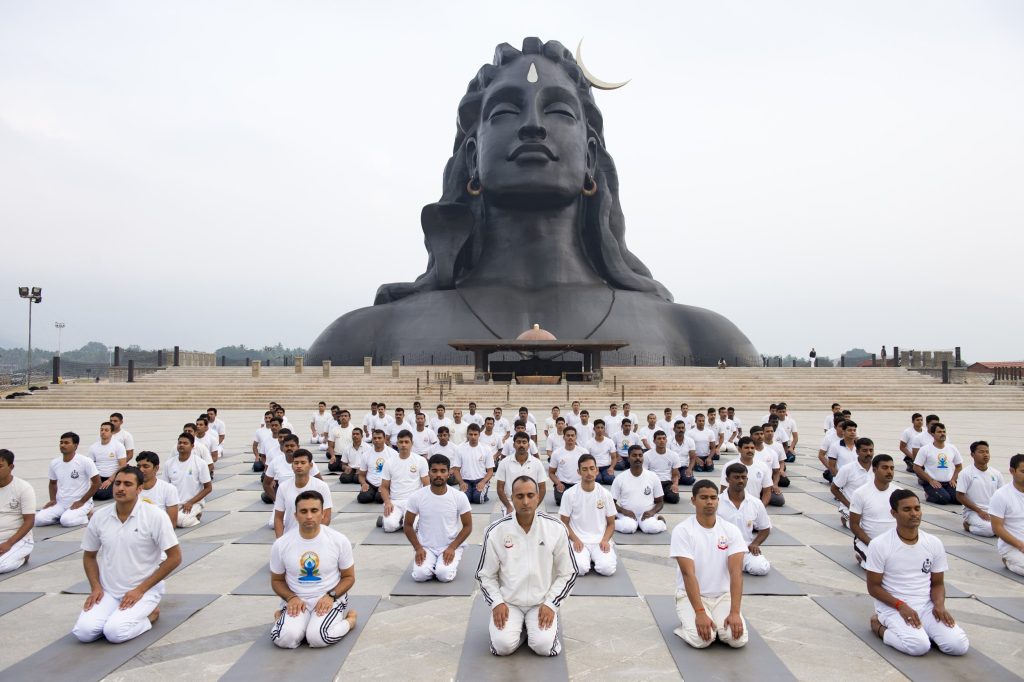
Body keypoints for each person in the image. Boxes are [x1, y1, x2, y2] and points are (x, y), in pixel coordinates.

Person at [72, 466, 182, 644]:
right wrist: (96, 587)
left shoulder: (155, 516)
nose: (120, 488)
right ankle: (117, 613)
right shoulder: (100, 516)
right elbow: (89, 556)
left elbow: (175, 557)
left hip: (143, 590)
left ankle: (150, 615)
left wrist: (140, 590)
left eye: (127, 484)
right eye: (117, 483)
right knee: (83, 633)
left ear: (139, 489)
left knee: (115, 633)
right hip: (109, 590)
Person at [477, 476, 577, 657]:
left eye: (530, 495)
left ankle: (532, 628)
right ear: (511, 498)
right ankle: (519, 628)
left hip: (541, 602)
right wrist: (497, 602)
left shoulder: (555, 528)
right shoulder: (496, 531)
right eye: (519, 496)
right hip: (510, 602)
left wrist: (552, 603)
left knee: (544, 647)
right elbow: (485, 575)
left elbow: (569, 573)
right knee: (502, 647)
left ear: (538, 497)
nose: (525, 501)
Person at [865, 489, 969, 656]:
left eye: (917, 508)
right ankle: (879, 627)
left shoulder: (933, 543)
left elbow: (937, 583)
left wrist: (939, 606)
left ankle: (926, 631)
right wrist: (901, 606)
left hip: (926, 606)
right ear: (894, 513)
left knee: (958, 646)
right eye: (907, 510)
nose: (914, 514)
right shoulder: (880, 544)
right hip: (894, 607)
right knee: (918, 647)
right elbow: (873, 587)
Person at [269, 490, 358, 648]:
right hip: (297, 599)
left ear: (322, 514)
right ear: (296, 516)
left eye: (314, 510)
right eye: (303, 511)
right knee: (284, 639)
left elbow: (349, 577)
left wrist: (331, 596)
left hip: (329, 598)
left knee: (318, 637)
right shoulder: (281, 544)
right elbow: (276, 580)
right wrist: (290, 598)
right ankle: (284, 618)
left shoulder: (338, 540)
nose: (309, 516)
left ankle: (349, 622)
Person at [670, 479, 748, 649]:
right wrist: (700, 613)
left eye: (713, 497)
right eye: (703, 497)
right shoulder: (683, 530)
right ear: (693, 501)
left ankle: (718, 627)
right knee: (702, 641)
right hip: (691, 597)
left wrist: (734, 612)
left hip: (722, 596)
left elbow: (736, 573)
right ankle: (686, 627)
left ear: (718, 500)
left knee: (737, 640)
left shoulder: (730, 530)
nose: (709, 502)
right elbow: (687, 574)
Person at [405, 454, 473, 582]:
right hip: (426, 546)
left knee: (444, 575)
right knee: (420, 575)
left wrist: (452, 547)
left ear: (449, 473)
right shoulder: (417, 496)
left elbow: (468, 526)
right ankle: (432, 564)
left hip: (449, 545)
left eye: (443, 471)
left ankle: (441, 564)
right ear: (428, 472)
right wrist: (418, 548)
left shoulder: (459, 497)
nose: (438, 475)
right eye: (434, 471)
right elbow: (407, 525)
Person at [559, 454, 617, 576]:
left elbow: (611, 524)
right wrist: (575, 540)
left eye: (592, 468)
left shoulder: (605, 494)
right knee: (579, 569)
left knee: (607, 569)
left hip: (600, 540)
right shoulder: (569, 494)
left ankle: (596, 557)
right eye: (584, 469)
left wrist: (605, 540)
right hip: (578, 540)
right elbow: (564, 522)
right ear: (578, 472)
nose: (589, 472)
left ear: (597, 470)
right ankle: (586, 558)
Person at [35, 432, 100, 527]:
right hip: (61, 503)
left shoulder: (85, 461)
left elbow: (97, 483)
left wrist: (82, 501)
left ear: (75, 446)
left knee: (66, 521)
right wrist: (53, 500)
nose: (62, 445)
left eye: (66, 443)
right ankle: (62, 517)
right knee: (38, 520)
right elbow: (52, 483)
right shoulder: (55, 463)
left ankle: (88, 515)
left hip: (80, 502)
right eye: (61, 442)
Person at [718, 463, 771, 575]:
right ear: (727, 479)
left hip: (745, 549)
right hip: (719, 549)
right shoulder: (717, 501)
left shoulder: (756, 503)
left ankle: (735, 564)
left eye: (743, 477)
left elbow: (765, 528)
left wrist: (755, 543)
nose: (741, 481)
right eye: (736, 477)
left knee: (760, 568)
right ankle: (731, 565)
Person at [850, 454, 898, 568]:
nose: (889, 471)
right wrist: (872, 544)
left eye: (892, 468)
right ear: (874, 470)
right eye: (885, 468)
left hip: (893, 544)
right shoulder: (860, 493)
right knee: (878, 567)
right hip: (868, 542)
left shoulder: (899, 493)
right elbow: (854, 524)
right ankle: (861, 553)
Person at [273, 450, 333, 536]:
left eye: (303, 462)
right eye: (296, 463)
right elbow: (278, 517)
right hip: (290, 537)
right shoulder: (283, 487)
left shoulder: (321, 486)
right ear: (292, 466)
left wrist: (315, 536)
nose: (299, 466)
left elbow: (326, 516)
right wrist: (280, 541)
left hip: (315, 537)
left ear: (311, 465)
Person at [159, 433, 212, 528]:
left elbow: (208, 488)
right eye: (179, 443)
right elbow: (164, 486)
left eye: (185, 443)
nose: (181, 445)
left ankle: (196, 515)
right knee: (159, 519)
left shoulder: (200, 463)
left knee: (180, 521)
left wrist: (191, 502)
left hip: (193, 503)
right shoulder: (169, 463)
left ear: (192, 446)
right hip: (173, 502)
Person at [612, 446, 667, 534]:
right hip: (627, 515)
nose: (638, 458)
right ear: (628, 458)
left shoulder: (653, 476)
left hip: (646, 515)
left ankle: (660, 521)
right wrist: (624, 511)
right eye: (634, 455)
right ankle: (615, 521)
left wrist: (652, 512)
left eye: (640, 455)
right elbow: (611, 502)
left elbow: (660, 501)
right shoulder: (620, 478)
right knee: (628, 528)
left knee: (652, 528)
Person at [380, 432, 428, 532]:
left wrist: (422, 504)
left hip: (413, 502)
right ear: (397, 443)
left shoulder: (420, 461)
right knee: (389, 527)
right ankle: (395, 520)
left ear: (412, 443)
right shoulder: (389, 462)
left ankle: (403, 520)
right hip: (395, 501)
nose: (403, 445)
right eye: (401, 442)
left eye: (406, 442)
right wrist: (387, 502)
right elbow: (384, 487)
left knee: (414, 528)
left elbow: (427, 485)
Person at [955, 441, 1003, 537]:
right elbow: (959, 496)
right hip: (973, 512)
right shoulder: (966, 473)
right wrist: (979, 511)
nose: (985, 455)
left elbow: (1002, 495)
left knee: (1014, 526)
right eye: (981, 452)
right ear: (972, 455)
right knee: (989, 530)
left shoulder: (996, 474)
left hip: (993, 511)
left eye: (987, 452)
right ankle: (968, 526)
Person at [0, 449, 35, 573]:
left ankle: (23, 556)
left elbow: (29, 521)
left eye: (0, 466)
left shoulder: (23, 487)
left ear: (11, 467)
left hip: (17, 539)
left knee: (1, 566)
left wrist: (8, 543)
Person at [989, 453, 1024, 576]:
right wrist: (1020, 545)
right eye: (1023, 471)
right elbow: (997, 528)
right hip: (1013, 545)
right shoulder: (1001, 495)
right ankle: (1008, 561)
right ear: (1012, 471)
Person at [496, 433, 547, 515]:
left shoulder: (537, 463)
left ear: (528, 445)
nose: (521, 445)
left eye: (524, 442)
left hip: (531, 501)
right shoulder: (504, 463)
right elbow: (500, 488)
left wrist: (535, 505)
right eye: (518, 442)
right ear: (513, 445)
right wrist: (508, 506)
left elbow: (542, 488)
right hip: (511, 502)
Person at [912, 423, 963, 505]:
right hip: (933, 483)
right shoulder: (925, 449)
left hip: (949, 483)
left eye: (944, 432)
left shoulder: (952, 448)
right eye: (939, 432)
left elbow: (959, 466)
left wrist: (953, 479)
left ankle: (946, 493)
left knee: (960, 500)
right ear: (932, 434)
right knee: (944, 499)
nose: (942, 434)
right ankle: (928, 495)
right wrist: (930, 480)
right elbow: (916, 467)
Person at [830, 438, 874, 528]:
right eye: (865, 450)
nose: (868, 453)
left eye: (871, 450)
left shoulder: (877, 468)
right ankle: (845, 517)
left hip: (870, 508)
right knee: (862, 527)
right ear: (857, 452)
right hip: (850, 508)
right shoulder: (847, 469)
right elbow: (834, 489)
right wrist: (849, 505)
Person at [718, 437, 772, 508]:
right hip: (732, 506)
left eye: (752, 448)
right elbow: (723, 489)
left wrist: (761, 508)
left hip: (754, 506)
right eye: (746, 448)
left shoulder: (763, 466)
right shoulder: (729, 465)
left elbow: (767, 491)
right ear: (739, 449)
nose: (750, 450)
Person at [452, 423, 495, 504]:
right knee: (464, 500)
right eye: (471, 434)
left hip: (480, 480)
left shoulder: (486, 449)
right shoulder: (460, 448)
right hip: (465, 481)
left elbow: (490, 471)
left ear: (479, 435)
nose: (473, 437)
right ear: (467, 435)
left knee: (478, 499)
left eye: (475, 434)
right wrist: (461, 482)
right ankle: (470, 492)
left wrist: (483, 482)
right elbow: (456, 470)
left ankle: (479, 492)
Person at [135, 452, 179, 527]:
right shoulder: (131, 489)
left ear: (156, 468)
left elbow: (172, 524)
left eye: (146, 466)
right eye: (139, 466)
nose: (141, 470)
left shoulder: (169, 489)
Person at [88, 421, 127, 501]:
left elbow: (122, 465)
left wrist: (110, 480)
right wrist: (93, 480)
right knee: (84, 491)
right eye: (101, 430)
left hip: (113, 478)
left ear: (112, 432)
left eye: (106, 430)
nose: (103, 432)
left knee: (101, 494)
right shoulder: (93, 447)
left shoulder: (118, 446)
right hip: (97, 477)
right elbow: (90, 465)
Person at [548, 426, 588, 505]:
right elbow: (551, 473)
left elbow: (589, 470)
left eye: (572, 435)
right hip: (563, 484)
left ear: (576, 437)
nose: (570, 437)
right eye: (568, 435)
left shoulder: (583, 452)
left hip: (579, 484)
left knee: (584, 501)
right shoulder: (556, 453)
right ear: (564, 437)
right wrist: (558, 483)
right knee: (560, 500)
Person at [357, 430, 397, 504]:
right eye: (374, 438)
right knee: (363, 498)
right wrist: (363, 484)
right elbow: (361, 475)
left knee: (380, 498)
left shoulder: (393, 454)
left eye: (379, 438)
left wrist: (385, 486)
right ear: (372, 439)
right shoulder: (366, 454)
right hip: (371, 484)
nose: (377, 440)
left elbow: (396, 474)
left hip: (385, 483)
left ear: (384, 439)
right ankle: (372, 493)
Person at [644, 432, 681, 504]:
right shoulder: (647, 455)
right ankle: (661, 496)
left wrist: (675, 484)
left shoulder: (674, 455)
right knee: (647, 499)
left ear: (666, 440)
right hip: (653, 482)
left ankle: (662, 495)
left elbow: (675, 474)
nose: (662, 440)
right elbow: (644, 473)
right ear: (654, 441)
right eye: (659, 438)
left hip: (667, 482)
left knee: (674, 498)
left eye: (664, 438)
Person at [585, 419, 617, 485]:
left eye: (602, 428)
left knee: (610, 479)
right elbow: (586, 459)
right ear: (594, 429)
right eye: (598, 427)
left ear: (604, 429)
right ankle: (601, 477)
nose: (600, 430)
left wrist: (611, 468)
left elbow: (614, 457)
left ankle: (604, 477)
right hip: (594, 467)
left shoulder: (609, 441)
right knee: (597, 480)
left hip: (607, 467)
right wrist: (592, 469)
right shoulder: (589, 443)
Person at [668, 421, 697, 486]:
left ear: (685, 429)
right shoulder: (668, 440)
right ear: (674, 429)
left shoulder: (690, 441)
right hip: (671, 467)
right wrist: (675, 470)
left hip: (684, 467)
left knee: (689, 480)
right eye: (678, 428)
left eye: (682, 428)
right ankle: (679, 478)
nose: (681, 430)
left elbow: (692, 458)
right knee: (666, 480)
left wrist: (689, 469)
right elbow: (667, 457)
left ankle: (679, 478)